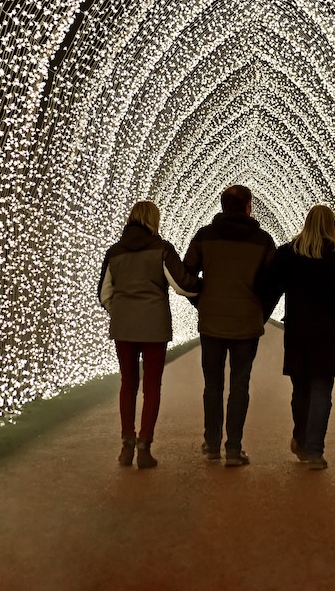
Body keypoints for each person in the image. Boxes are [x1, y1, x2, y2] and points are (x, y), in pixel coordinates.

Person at [98, 201, 199, 469]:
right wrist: (207, 286)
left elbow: (104, 293)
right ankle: (144, 446)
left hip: (124, 328)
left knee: (128, 383)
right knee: (152, 385)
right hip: (154, 327)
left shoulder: (114, 252)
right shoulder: (162, 249)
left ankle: (126, 445)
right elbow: (182, 285)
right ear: (154, 220)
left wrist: (121, 312)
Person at [183, 184, 276, 467]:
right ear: (248, 207)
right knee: (239, 385)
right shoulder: (263, 241)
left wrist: (201, 301)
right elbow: (272, 285)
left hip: (212, 323)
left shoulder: (205, 236)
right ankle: (234, 448)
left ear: (222, 206)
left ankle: (212, 445)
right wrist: (260, 313)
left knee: (212, 385)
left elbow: (186, 274)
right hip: (247, 324)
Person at [265, 205, 335, 470]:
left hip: (298, 329)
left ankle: (301, 439)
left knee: (301, 388)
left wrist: (259, 316)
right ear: (331, 226)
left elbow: (270, 286)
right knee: (322, 389)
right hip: (326, 331)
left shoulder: (288, 253)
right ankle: (314, 450)